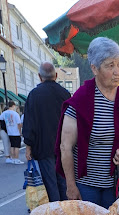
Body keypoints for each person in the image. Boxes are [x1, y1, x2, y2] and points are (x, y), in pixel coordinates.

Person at [56, 37, 119, 208]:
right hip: (86, 185)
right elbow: (66, 147)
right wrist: (71, 186)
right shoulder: (80, 100)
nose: (118, 71)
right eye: (110, 65)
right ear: (94, 68)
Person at [22, 62, 71, 202]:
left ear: (39, 76)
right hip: (64, 146)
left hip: (43, 148)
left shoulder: (34, 95)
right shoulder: (65, 94)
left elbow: (29, 123)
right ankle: (65, 214)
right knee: (64, 182)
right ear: (55, 75)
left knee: (50, 185)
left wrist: (28, 147)